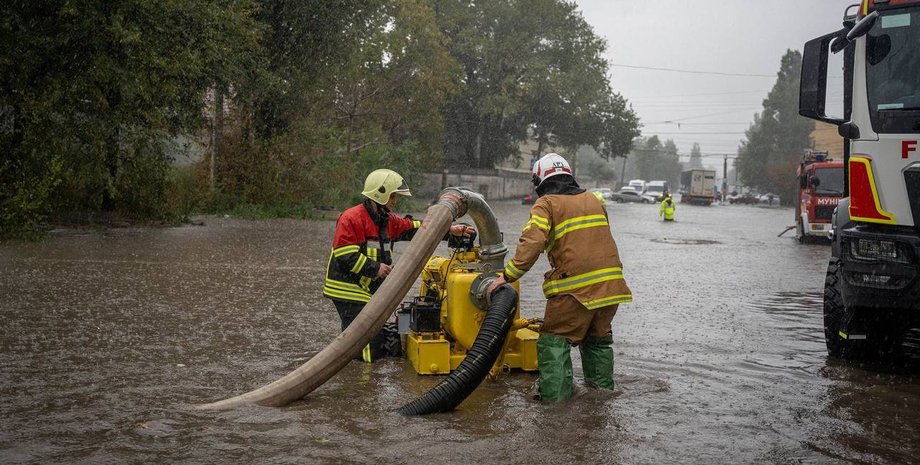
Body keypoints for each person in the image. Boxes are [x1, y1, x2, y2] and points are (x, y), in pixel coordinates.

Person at [487, 153, 632, 402]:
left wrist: (506, 276)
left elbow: (532, 242)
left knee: (554, 341)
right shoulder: (595, 200)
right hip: (612, 288)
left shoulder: (547, 204)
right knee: (597, 342)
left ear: (541, 180)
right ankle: (601, 399)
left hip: (575, 291)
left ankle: (555, 407)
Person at [323, 169, 474, 362]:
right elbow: (345, 255)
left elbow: (417, 229)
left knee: (365, 337)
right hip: (347, 289)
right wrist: (376, 268)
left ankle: (360, 371)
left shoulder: (387, 220)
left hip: (366, 289)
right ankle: (363, 381)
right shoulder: (351, 218)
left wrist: (449, 230)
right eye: (392, 196)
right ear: (381, 193)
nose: (394, 200)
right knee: (366, 341)